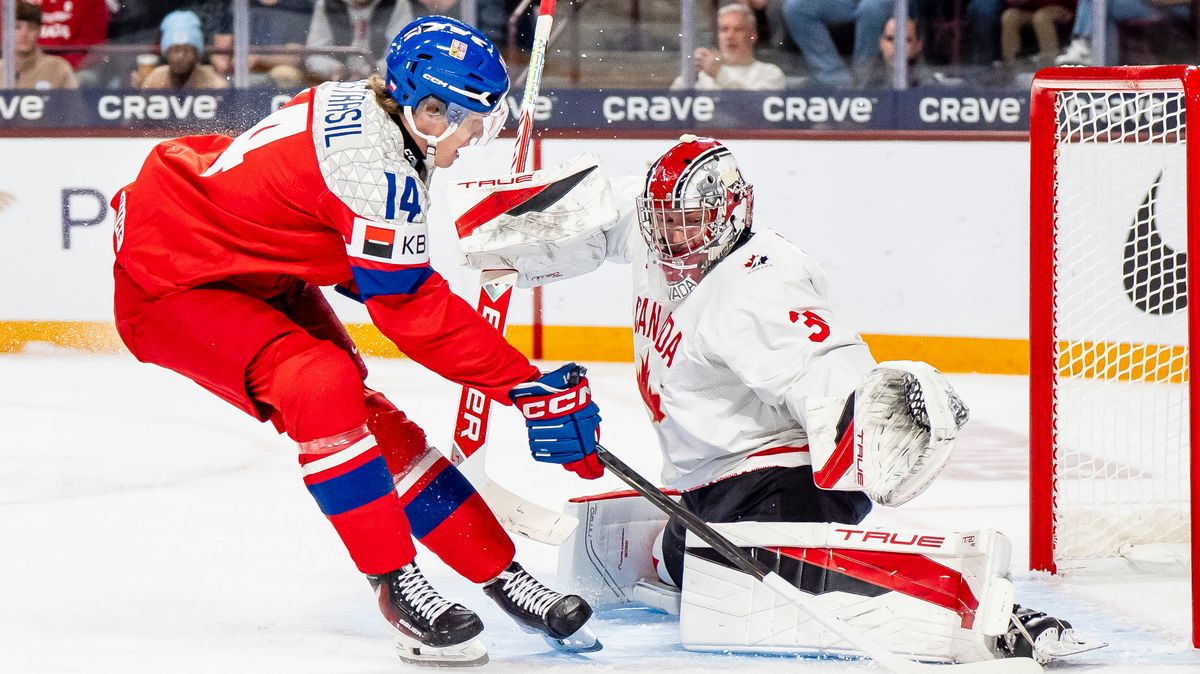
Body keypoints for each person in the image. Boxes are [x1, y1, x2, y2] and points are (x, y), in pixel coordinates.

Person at [451, 136, 1099, 664]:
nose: (674, 245)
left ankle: (994, 613)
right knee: (687, 567)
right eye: (665, 225)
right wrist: (514, 232)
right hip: (713, 479)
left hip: (786, 475)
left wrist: (869, 430)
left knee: (754, 586)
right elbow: (579, 222)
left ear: (732, 213)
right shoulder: (656, 222)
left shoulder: (759, 288)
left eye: (689, 227)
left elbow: (834, 380)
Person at [111, 15, 602, 667]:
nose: (478, 134)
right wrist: (522, 384)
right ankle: (396, 584)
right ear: (428, 110)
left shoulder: (369, 107)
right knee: (321, 383)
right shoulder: (380, 169)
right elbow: (407, 309)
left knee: (363, 418)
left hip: (244, 260)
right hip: (172, 280)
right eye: (470, 118)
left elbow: (334, 240)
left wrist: (503, 370)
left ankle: (500, 574)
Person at [781, 0, 923, 87]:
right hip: (849, 2)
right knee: (797, 6)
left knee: (872, 8)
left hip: (897, 3)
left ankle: (862, 83)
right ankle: (836, 79)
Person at [671, 3, 785, 91]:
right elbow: (672, 109)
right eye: (724, 29)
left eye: (738, 29)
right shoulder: (703, 75)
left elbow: (756, 110)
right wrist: (689, 76)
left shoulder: (770, 73)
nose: (730, 36)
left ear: (753, 36)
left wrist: (719, 74)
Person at [1055, 0, 1188, 65]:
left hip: (1177, 11)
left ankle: (1085, 46)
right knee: (1100, 4)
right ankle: (1085, 47)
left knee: (1105, 4)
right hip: (1149, 5)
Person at [140, 10, 228, 89]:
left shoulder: (215, 85)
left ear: (196, 54)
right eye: (175, 50)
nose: (180, 56)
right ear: (166, 53)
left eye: (187, 50)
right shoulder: (155, 80)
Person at [0, 2, 79, 89]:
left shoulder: (59, 69)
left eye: (31, 28)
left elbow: (74, 102)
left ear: (39, 31)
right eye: (17, 27)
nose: (24, 34)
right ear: (6, 31)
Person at [860, 17, 938, 87]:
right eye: (890, 39)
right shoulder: (864, 76)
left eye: (906, 40)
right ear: (881, 43)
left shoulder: (929, 83)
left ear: (918, 46)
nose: (897, 47)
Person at [1000, 0, 1074, 67]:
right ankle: (1010, 64)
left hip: (1061, 7)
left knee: (1041, 17)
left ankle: (1050, 63)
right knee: (1009, 16)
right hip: (1031, 10)